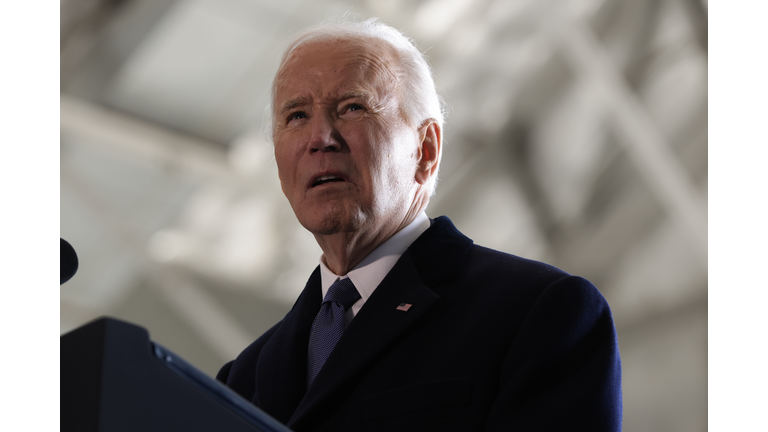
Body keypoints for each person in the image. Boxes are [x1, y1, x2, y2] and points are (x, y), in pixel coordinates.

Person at [217, 18, 622, 432]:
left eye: (352, 107)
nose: (321, 137)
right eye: (297, 115)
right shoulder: (242, 377)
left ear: (425, 150)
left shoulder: (538, 313)